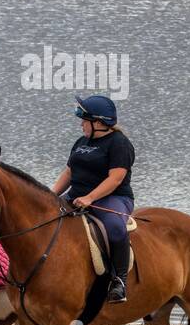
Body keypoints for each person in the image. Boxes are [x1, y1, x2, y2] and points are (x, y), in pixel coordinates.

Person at [51, 94, 135, 303]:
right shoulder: (81, 142)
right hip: (76, 196)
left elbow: (115, 179)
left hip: (112, 198)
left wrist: (90, 197)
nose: (81, 124)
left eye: (84, 120)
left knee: (115, 228)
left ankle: (119, 281)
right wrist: (51, 195)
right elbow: (69, 173)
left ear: (98, 122)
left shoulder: (119, 143)